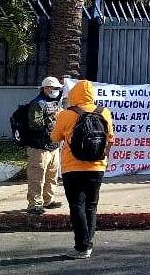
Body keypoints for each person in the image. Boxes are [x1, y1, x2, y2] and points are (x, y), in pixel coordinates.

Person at [50, 80, 114, 259]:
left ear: (74, 94)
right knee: (91, 206)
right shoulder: (104, 112)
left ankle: (82, 247)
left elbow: (55, 137)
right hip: (97, 167)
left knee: (77, 205)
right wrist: (104, 159)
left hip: (72, 168)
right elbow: (110, 139)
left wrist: (60, 121)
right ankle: (88, 244)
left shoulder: (66, 114)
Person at [25, 76, 64, 215]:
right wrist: (53, 116)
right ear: (46, 88)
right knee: (37, 177)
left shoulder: (55, 102)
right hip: (39, 147)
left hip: (53, 145)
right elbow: (34, 124)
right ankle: (34, 204)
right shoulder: (37, 103)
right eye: (55, 88)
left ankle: (48, 200)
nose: (57, 91)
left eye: (58, 88)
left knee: (52, 175)